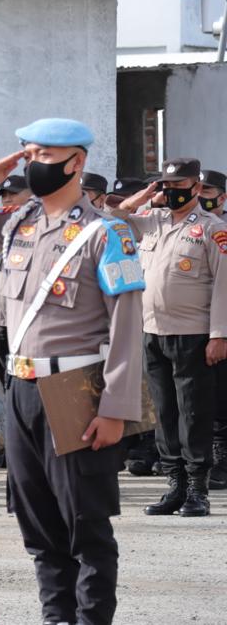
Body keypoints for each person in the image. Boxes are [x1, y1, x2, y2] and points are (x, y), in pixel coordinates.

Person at [0, 118, 144, 625]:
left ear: (78, 162)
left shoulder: (106, 232)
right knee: (37, 522)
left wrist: (115, 409)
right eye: (28, 153)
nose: (34, 164)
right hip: (22, 386)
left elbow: (128, 328)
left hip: (76, 389)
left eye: (46, 155)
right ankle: (55, 618)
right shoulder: (16, 224)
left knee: (85, 524)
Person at [111, 158, 227, 517]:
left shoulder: (212, 229)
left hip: (193, 334)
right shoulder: (153, 221)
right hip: (152, 330)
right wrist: (144, 197)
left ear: (195, 187)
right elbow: (110, 220)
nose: (173, 192)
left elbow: (224, 286)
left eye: (180, 186)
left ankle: (197, 489)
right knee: (164, 411)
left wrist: (219, 335)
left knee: (192, 413)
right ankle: (174, 485)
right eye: (167, 185)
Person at [0, 174, 33, 469]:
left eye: (13, 194)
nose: (7, 200)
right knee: (6, 386)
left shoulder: (38, 231)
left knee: (29, 386)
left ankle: (34, 446)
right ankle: (15, 444)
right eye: (3, 195)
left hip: (25, 324)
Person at [199, 169, 227, 490]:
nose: (202, 195)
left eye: (208, 191)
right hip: (194, 321)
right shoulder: (189, 225)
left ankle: (221, 460)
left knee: (221, 397)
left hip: (221, 323)